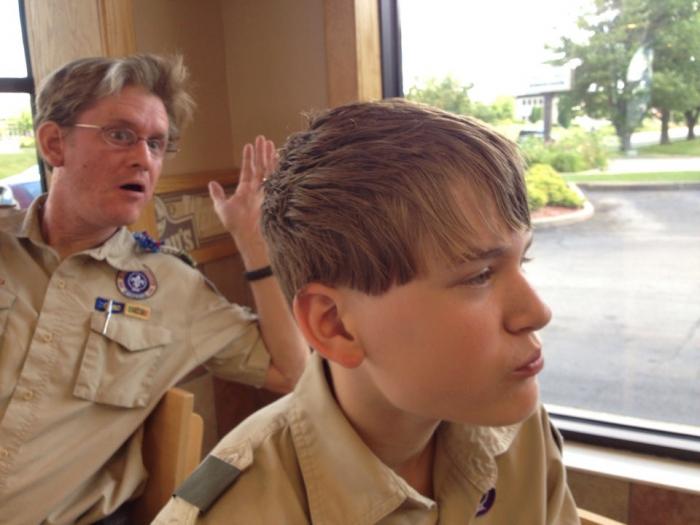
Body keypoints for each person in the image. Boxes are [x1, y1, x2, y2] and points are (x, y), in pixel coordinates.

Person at [154, 99, 580, 524]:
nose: (538, 312)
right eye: (480, 275)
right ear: (335, 325)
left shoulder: (512, 424)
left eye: (523, 260)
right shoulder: (236, 513)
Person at [0, 54, 308, 524]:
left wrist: (253, 242)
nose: (144, 158)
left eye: (157, 144)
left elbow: (294, 374)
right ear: (54, 143)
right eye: (120, 135)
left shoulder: (173, 288)